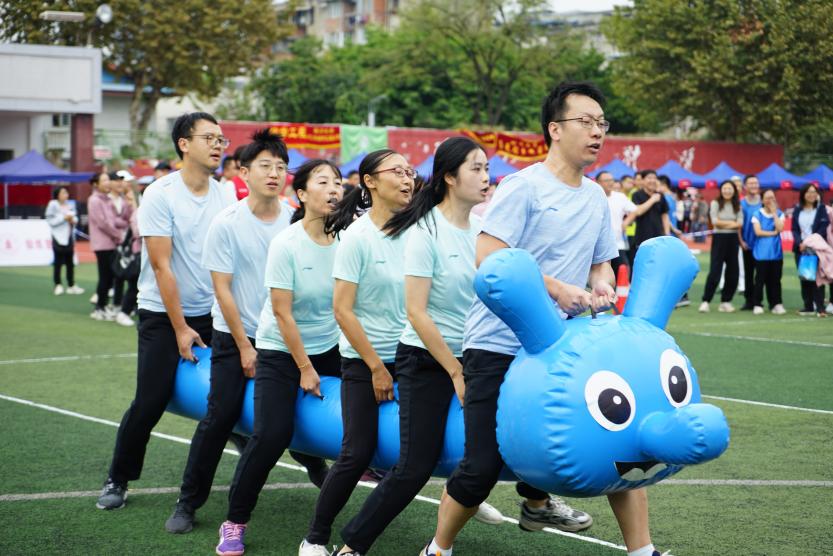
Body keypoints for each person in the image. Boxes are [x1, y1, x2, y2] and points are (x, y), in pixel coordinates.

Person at [422, 81, 663, 556]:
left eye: (602, 123)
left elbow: (601, 263)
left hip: (562, 345)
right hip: (498, 343)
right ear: (555, 129)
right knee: (481, 465)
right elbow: (489, 256)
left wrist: (601, 284)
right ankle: (438, 548)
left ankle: (641, 550)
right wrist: (556, 288)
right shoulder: (523, 186)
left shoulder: (596, 197)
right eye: (586, 122)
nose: (597, 132)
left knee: (618, 439)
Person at [333, 138, 502, 556]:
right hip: (425, 359)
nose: (486, 177)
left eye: (487, 168)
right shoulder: (424, 231)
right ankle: (352, 546)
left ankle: (535, 501)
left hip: (475, 355)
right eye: (476, 169)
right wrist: (455, 372)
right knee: (413, 467)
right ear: (450, 177)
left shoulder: (485, 232)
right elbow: (416, 312)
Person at [159, 129, 299, 539]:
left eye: (281, 167)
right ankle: (188, 501)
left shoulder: (295, 218)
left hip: (283, 336)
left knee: (288, 413)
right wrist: (243, 346)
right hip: (234, 335)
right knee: (219, 416)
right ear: (244, 172)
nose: (274, 174)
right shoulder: (227, 223)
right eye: (265, 166)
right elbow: (222, 290)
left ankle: (316, 467)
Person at [96, 112, 236, 511]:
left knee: (235, 394)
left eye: (221, 139)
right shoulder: (160, 193)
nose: (217, 145)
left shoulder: (226, 195)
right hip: (161, 313)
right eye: (209, 138)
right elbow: (161, 267)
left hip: (213, 312)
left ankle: (298, 461)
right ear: (184, 144)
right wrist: (180, 327)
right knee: (151, 399)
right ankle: (119, 477)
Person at [210, 157, 345, 555]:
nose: (334, 189)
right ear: (301, 194)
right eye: (324, 182)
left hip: (329, 345)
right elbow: (283, 314)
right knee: (271, 436)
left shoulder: (346, 240)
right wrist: (305, 368)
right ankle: (234, 521)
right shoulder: (286, 243)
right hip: (281, 350)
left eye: (338, 182)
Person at [299, 150, 414, 555]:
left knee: (423, 447)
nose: (407, 179)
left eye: (410, 172)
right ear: (370, 181)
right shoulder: (356, 237)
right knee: (356, 452)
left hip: (413, 356)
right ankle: (315, 536)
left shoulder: (417, 232)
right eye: (397, 171)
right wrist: (377, 368)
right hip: (365, 361)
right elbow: (342, 311)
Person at [599, 170, 657, 279]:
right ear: (598, 182)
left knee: (623, 271)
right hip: (599, 245)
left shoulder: (620, 197)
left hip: (617, 244)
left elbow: (636, 210)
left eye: (611, 180)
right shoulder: (594, 196)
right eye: (606, 180)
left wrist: (626, 222)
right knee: (602, 277)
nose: (610, 183)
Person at [87, 171, 129, 321]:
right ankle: (99, 308)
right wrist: (119, 235)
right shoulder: (94, 200)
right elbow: (102, 223)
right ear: (96, 184)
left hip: (111, 243)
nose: (107, 183)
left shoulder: (107, 200)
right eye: (104, 180)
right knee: (105, 277)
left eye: (107, 180)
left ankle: (103, 306)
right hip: (103, 244)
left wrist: (126, 223)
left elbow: (115, 220)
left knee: (110, 277)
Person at [699, 180, 743, 313]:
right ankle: (706, 301)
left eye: (730, 189)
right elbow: (715, 222)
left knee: (733, 272)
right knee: (715, 271)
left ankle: (726, 301)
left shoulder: (737, 205)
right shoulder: (715, 203)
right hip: (719, 239)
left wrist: (724, 223)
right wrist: (732, 223)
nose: (727, 191)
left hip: (733, 239)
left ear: (734, 190)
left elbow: (740, 223)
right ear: (721, 190)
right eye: (725, 188)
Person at [792, 183, 830, 316]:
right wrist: (800, 243)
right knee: (805, 277)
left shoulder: (821, 209)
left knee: (818, 279)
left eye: (814, 192)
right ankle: (808, 306)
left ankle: (820, 308)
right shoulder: (798, 209)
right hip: (801, 249)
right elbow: (794, 229)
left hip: (816, 248)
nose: (811, 194)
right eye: (808, 192)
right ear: (803, 194)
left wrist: (809, 243)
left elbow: (823, 229)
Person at [751, 190, 786, 315]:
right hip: (761, 253)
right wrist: (772, 233)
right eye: (767, 198)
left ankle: (776, 303)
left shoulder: (780, 214)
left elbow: (780, 228)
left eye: (772, 197)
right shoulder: (757, 214)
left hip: (776, 253)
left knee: (775, 280)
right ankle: (757, 303)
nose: (770, 200)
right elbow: (758, 232)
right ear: (762, 200)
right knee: (760, 280)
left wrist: (774, 213)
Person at [45, 186, 83, 296]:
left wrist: (72, 220)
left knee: (70, 263)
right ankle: (58, 285)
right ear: (57, 195)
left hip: (68, 236)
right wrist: (63, 218)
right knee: (58, 262)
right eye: (63, 193)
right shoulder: (52, 204)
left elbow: (75, 218)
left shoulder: (69, 205)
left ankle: (71, 285)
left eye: (66, 192)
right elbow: (50, 220)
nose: (66, 195)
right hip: (57, 237)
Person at [114, 184, 141, 327]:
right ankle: (124, 312)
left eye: (130, 199)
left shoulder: (138, 212)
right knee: (134, 285)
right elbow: (138, 233)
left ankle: (129, 311)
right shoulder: (137, 213)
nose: (128, 202)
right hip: (138, 254)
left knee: (137, 286)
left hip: (141, 254)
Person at [630, 170, 669, 271]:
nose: (652, 180)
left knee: (658, 267)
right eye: (649, 178)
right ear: (643, 180)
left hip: (659, 238)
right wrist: (652, 200)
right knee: (643, 267)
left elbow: (665, 216)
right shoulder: (637, 195)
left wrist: (667, 234)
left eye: (654, 178)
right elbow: (638, 211)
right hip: (642, 238)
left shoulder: (660, 196)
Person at [739, 175, 762, 310]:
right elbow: (738, 225)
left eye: (755, 183)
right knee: (748, 273)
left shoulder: (763, 202)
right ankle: (749, 301)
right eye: (750, 183)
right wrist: (741, 241)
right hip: (747, 244)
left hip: (762, 244)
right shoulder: (741, 203)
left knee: (761, 274)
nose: (753, 185)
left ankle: (758, 300)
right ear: (745, 186)